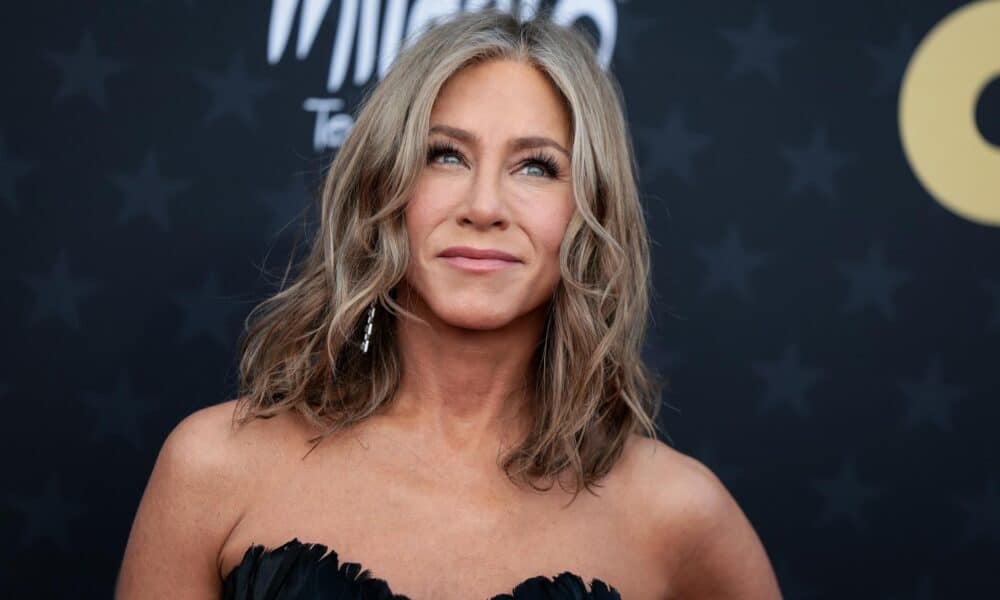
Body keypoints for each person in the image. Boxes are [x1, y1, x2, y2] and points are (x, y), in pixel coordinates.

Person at [115, 7, 782, 599]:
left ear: (591, 212)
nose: (484, 207)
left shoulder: (677, 515)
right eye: (445, 156)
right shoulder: (213, 468)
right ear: (383, 192)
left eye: (536, 167)